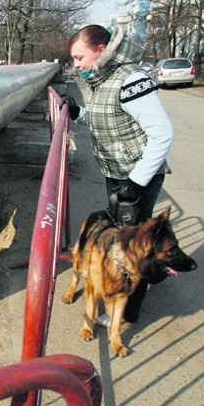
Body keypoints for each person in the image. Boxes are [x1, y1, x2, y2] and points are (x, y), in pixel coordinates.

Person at [63, 24, 175, 325]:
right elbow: (111, 122)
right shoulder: (105, 78)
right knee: (133, 238)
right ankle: (149, 278)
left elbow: (162, 133)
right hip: (121, 175)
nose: (76, 64)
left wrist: (134, 183)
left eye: (79, 57)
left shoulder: (131, 79)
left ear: (101, 50)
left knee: (134, 245)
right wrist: (79, 114)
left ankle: (128, 312)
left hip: (137, 178)